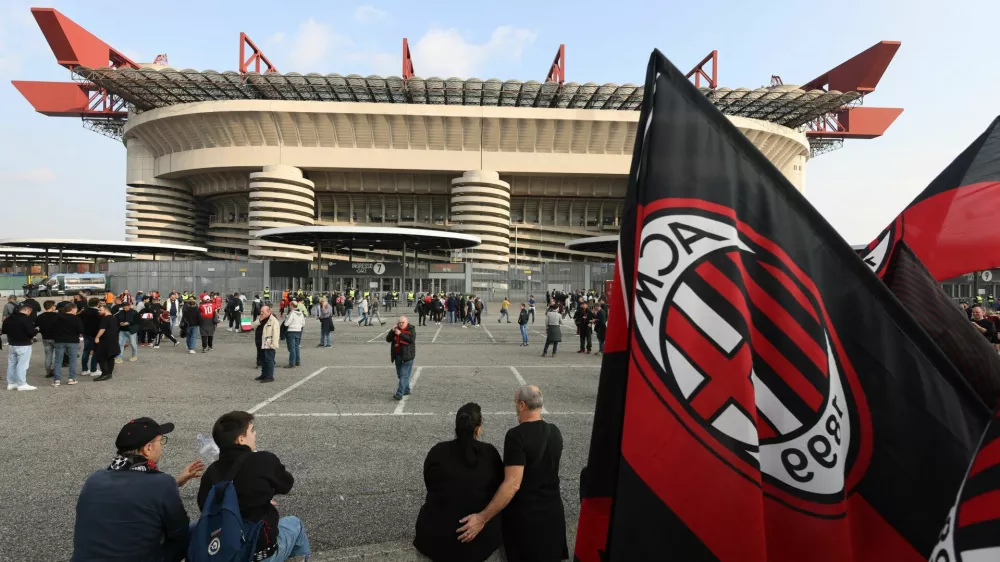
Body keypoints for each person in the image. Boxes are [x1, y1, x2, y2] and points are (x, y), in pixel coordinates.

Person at [457, 385, 567, 562]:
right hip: (553, 515)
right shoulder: (555, 432)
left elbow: (513, 484)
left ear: (522, 405)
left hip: (527, 520)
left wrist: (482, 518)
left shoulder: (517, 435)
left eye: (516, 403)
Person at [71, 417, 204, 562]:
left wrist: (175, 483)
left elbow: (129, 494)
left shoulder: (94, 479)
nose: (162, 446)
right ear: (148, 448)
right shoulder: (162, 484)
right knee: (198, 527)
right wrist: (170, 487)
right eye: (161, 441)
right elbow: (180, 531)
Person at [197, 411, 310, 562]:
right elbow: (286, 484)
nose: (255, 434)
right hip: (258, 553)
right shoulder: (263, 460)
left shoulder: (210, 473)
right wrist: (264, 494)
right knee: (295, 524)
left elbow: (206, 506)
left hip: (226, 552)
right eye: (252, 430)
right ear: (241, 439)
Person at [414, 403, 505, 562]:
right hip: (477, 543)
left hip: (433, 539)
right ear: (478, 429)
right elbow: (498, 489)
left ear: (456, 426)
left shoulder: (437, 451)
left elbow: (430, 485)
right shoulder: (490, 454)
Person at [3, 303, 37, 391]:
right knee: (22, 365)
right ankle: (22, 384)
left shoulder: (9, 318)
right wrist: (36, 330)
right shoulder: (25, 319)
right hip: (24, 344)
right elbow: (31, 333)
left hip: (12, 343)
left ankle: (11, 383)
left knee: (12, 364)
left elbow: (4, 330)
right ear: (27, 310)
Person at [52, 302, 84, 386]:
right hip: (72, 341)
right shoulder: (76, 319)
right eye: (76, 309)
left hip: (59, 341)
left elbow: (53, 329)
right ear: (72, 309)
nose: (77, 310)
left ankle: (57, 380)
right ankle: (71, 378)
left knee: (58, 360)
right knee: (73, 360)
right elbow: (81, 330)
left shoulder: (57, 318)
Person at [386, 315, 416, 400]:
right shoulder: (396, 329)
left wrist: (401, 334)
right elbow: (388, 339)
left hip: (407, 356)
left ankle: (399, 393)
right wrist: (392, 331)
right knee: (400, 375)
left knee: (403, 374)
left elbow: (411, 340)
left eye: (403, 322)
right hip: (397, 355)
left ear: (407, 322)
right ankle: (406, 389)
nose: (401, 324)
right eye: (400, 322)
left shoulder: (411, 329)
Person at [252, 305, 280, 382]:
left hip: (268, 344)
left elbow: (276, 333)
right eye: (261, 311)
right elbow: (252, 326)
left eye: (263, 312)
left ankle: (270, 376)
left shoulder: (273, 320)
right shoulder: (261, 319)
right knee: (262, 360)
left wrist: (273, 345)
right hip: (260, 343)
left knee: (269, 360)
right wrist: (259, 320)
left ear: (268, 312)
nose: (261, 313)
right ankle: (263, 374)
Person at [93, 304, 121, 381]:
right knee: (110, 357)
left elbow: (102, 329)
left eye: (100, 310)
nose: (99, 311)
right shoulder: (114, 318)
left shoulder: (105, 318)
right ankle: (109, 374)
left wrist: (97, 337)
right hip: (113, 340)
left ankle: (104, 374)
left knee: (102, 357)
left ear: (106, 310)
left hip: (105, 340)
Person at [79, 297, 102, 377]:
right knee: (95, 352)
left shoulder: (84, 312)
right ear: (98, 303)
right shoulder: (98, 313)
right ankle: (93, 369)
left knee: (86, 351)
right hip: (95, 334)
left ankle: (84, 369)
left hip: (86, 333)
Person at [35, 300, 59, 378]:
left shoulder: (40, 316)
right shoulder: (57, 316)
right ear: (52, 306)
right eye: (54, 305)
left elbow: (35, 326)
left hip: (45, 337)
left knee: (48, 355)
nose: (55, 307)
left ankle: (48, 371)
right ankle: (55, 370)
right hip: (56, 337)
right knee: (57, 355)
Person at [283, 299, 305, 368]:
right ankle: (297, 361)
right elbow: (303, 323)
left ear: (292, 305)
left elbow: (287, 323)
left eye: (290, 305)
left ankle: (292, 363)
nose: (289, 306)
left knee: (292, 348)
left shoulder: (292, 313)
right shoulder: (301, 313)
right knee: (296, 347)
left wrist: (285, 322)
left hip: (291, 331)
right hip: (298, 331)